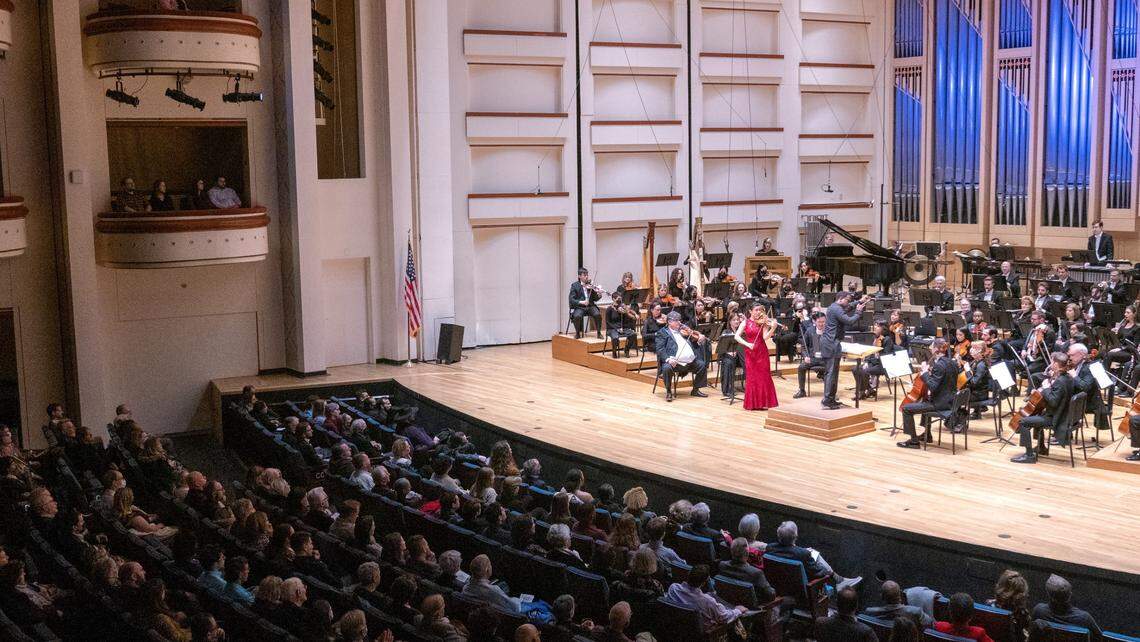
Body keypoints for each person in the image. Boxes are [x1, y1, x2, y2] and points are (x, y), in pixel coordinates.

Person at [1012, 352, 1074, 464]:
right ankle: (1041, 447)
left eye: (1052, 361)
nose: (1051, 364)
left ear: (1056, 364)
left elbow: (1054, 402)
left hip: (1056, 418)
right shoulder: (1068, 377)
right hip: (1063, 414)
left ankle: (1029, 455)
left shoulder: (1060, 381)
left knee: (1023, 422)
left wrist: (1045, 388)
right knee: (1038, 413)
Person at [898, 338, 960, 449]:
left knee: (906, 409)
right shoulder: (952, 362)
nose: (930, 348)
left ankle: (913, 441)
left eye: (931, 346)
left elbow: (933, 386)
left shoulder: (939, 365)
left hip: (940, 404)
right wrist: (932, 374)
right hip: (950, 401)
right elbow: (945, 379)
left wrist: (925, 373)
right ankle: (927, 434)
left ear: (936, 349)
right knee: (925, 399)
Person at [766, 521, 860, 591]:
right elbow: (819, 573)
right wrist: (813, 558)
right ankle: (839, 580)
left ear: (778, 535)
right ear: (796, 536)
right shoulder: (803, 554)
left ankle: (840, 580)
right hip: (801, 590)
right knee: (816, 556)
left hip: (778, 586)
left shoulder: (770, 548)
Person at [663, 564, 746, 633]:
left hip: (677, 629)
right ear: (703, 583)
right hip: (704, 635)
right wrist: (738, 610)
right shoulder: (708, 601)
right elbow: (724, 618)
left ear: (688, 574)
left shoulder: (673, 588)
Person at [821, 291, 868, 409]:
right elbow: (850, 321)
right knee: (832, 373)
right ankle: (827, 401)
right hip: (832, 343)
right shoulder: (837, 309)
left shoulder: (834, 307)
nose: (848, 302)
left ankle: (829, 398)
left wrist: (860, 301)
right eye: (847, 300)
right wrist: (858, 311)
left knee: (830, 372)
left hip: (828, 342)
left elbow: (847, 308)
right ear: (840, 299)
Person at [732, 303, 779, 410]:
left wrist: (773, 329)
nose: (759, 312)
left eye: (760, 310)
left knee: (764, 376)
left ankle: (765, 402)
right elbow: (736, 336)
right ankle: (753, 403)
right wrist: (747, 344)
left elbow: (765, 337)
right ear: (750, 311)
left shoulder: (763, 323)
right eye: (756, 310)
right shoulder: (745, 322)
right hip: (750, 352)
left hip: (762, 352)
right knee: (752, 377)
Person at [655, 311, 709, 402]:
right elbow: (660, 349)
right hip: (674, 362)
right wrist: (668, 359)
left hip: (690, 362)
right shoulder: (662, 333)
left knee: (702, 365)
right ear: (669, 322)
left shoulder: (683, 331)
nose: (679, 323)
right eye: (676, 321)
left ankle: (695, 390)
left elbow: (694, 342)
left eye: (679, 320)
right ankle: (668, 391)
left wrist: (699, 339)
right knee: (667, 368)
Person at [1030, 574, 1101, 641]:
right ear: (1070, 595)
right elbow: (1100, 639)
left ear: (1049, 595)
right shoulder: (1084, 618)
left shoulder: (1039, 611)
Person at [717, 538, 775, 602]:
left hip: (728, 601)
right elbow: (770, 596)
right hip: (750, 608)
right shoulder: (756, 573)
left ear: (731, 551)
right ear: (748, 552)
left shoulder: (722, 565)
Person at [861, 580, 932, 628]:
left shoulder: (870, 612)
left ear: (882, 597)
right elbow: (930, 624)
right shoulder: (915, 612)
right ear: (900, 595)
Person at [854, 321, 894, 401]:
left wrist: (875, 355)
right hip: (873, 362)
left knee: (864, 371)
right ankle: (870, 390)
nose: (875, 327)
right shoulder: (875, 338)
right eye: (875, 325)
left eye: (877, 326)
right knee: (855, 369)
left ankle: (861, 392)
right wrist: (866, 361)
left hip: (882, 365)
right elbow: (871, 353)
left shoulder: (887, 340)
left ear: (883, 328)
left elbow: (886, 356)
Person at [793, 311, 827, 399]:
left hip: (826, 359)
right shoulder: (810, 330)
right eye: (819, 322)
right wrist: (805, 356)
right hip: (813, 358)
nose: (822, 324)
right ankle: (802, 390)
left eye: (823, 322)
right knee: (801, 367)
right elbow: (804, 346)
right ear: (814, 321)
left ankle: (830, 394)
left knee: (832, 368)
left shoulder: (829, 331)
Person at [569, 268, 603, 339]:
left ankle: (599, 333)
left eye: (587, 275)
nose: (586, 276)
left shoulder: (590, 285)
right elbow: (571, 299)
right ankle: (578, 333)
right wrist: (582, 302)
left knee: (597, 314)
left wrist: (599, 294)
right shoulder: (575, 285)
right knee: (577, 316)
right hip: (580, 307)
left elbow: (595, 299)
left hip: (590, 306)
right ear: (579, 276)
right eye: (584, 275)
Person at [719, 312, 746, 399]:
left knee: (748, 360)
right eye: (734, 320)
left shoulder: (742, 331)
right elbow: (722, 348)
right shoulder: (726, 331)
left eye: (738, 320)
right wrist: (729, 352)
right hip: (728, 356)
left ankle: (750, 386)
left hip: (739, 356)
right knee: (728, 362)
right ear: (730, 321)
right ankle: (727, 389)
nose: (736, 321)